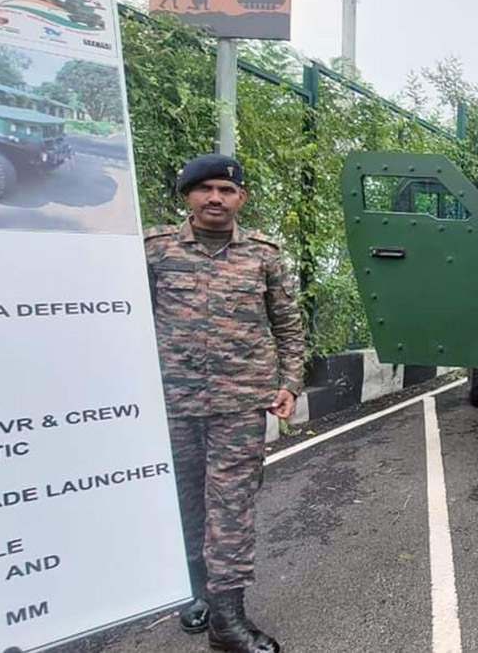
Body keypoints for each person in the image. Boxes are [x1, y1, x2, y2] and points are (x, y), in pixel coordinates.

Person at [145, 155, 303, 653]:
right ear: (187, 195)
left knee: (231, 507)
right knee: (185, 502)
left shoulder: (264, 254)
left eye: (227, 190)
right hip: (172, 403)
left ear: (241, 198)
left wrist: (291, 381)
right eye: (205, 189)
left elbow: (287, 322)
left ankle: (228, 621)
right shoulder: (154, 250)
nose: (216, 198)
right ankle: (200, 595)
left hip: (239, 404)